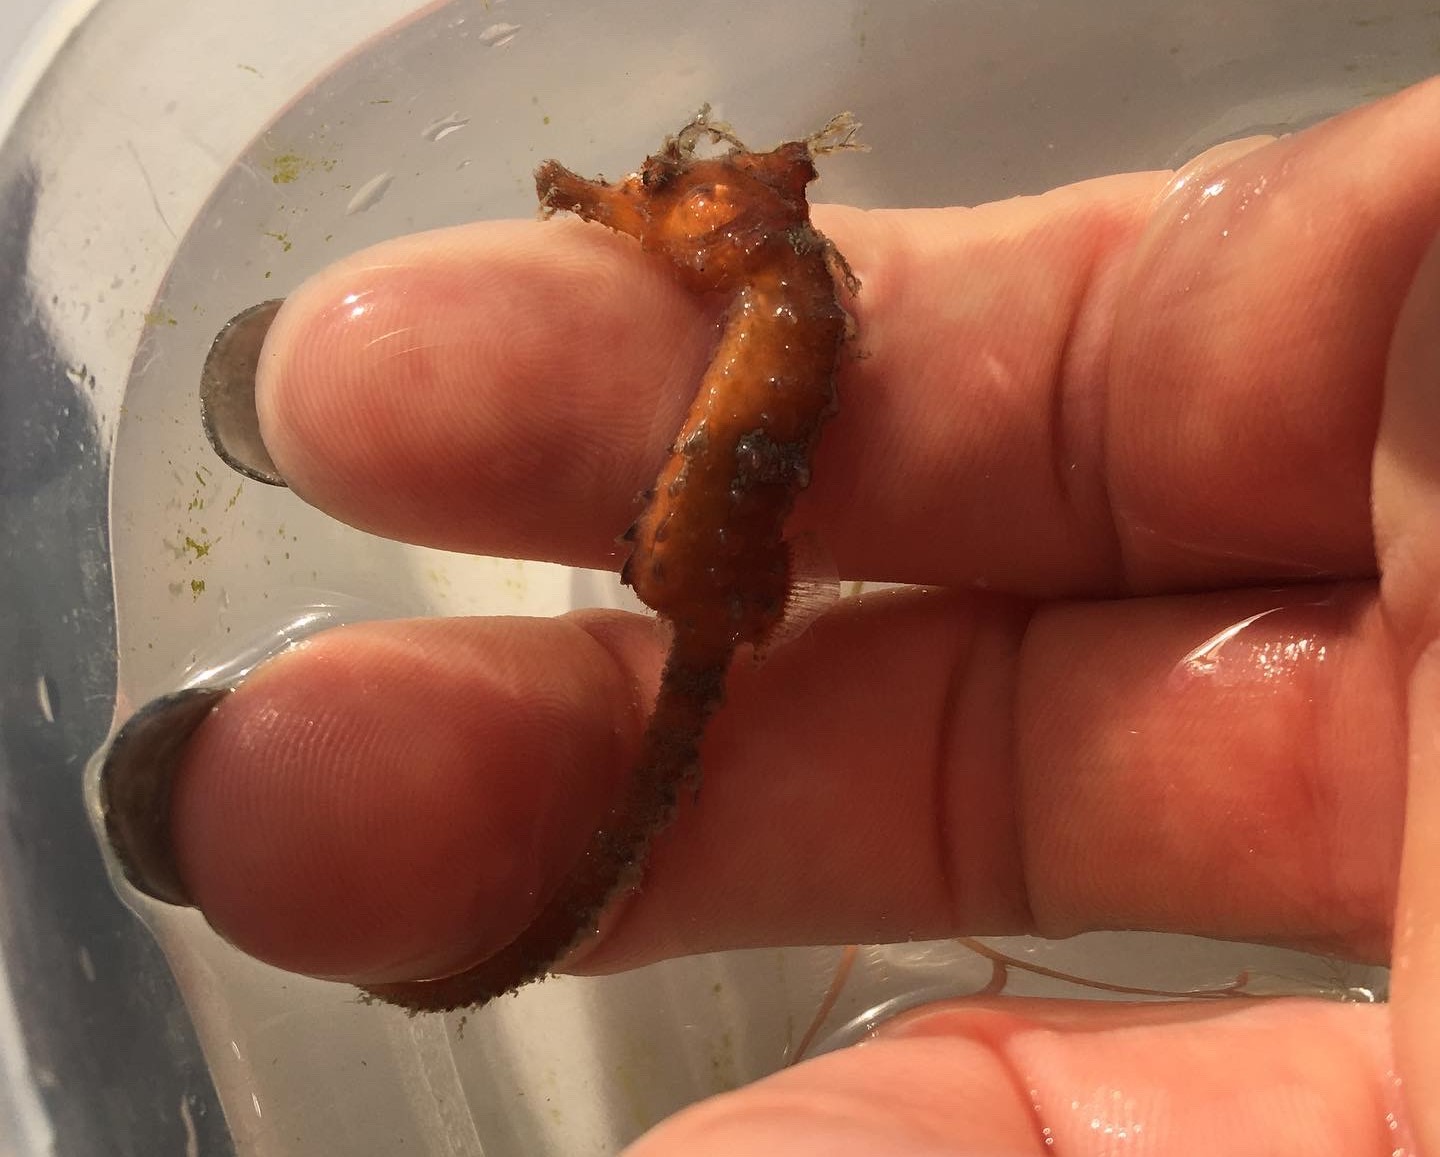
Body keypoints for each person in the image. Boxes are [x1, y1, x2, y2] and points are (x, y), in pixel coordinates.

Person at [166, 77, 1440, 1153]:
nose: (642, 201)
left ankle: (502, 944)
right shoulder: (777, 292)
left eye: (669, 188)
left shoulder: (778, 284)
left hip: (717, 564)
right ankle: (499, 946)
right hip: (725, 558)